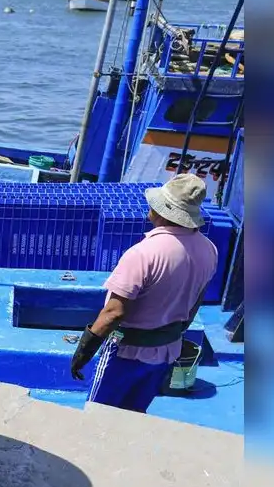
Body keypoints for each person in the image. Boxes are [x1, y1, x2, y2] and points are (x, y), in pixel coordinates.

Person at [70, 174, 218, 413]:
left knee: (98, 414)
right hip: (167, 350)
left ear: (162, 211)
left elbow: (113, 313)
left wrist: (83, 352)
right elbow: (195, 303)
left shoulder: (143, 253)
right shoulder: (209, 250)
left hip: (126, 353)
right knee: (135, 415)